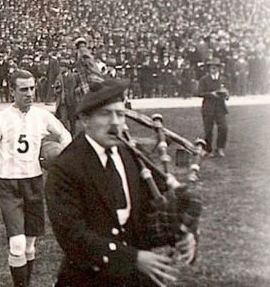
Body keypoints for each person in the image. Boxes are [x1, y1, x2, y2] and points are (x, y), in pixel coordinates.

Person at [45, 80, 197, 286]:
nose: (116, 122)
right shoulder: (66, 168)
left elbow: (157, 202)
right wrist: (132, 258)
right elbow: (72, 236)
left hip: (137, 277)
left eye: (120, 114)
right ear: (85, 119)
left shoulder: (131, 154)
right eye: (106, 114)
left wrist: (183, 233)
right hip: (89, 277)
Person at [0, 69, 72, 286]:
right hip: (7, 184)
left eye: (32, 88)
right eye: (23, 89)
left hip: (34, 181)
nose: (29, 93)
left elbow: (64, 135)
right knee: (17, 244)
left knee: (29, 245)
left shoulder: (41, 116)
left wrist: (59, 158)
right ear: (12, 91)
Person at [197, 58, 229, 157]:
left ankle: (220, 148)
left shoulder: (223, 79)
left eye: (215, 67)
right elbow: (199, 93)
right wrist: (211, 94)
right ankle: (208, 149)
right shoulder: (204, 79)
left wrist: (226, 95)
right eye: (211, 67)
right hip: (208, 107)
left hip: (220, 107)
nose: (213, 69)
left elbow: (227, 91)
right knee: (208, 130)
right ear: (209, 68)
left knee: (223, 128)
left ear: (218, 68)